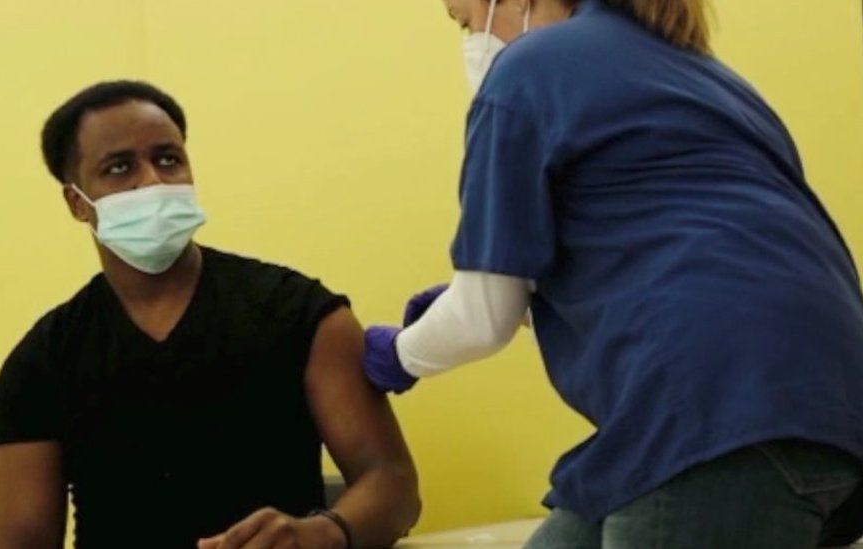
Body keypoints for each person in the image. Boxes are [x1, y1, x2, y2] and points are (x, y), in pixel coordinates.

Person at [363, 1, 863, 547]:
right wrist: (523, 296)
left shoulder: (530, 68)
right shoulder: (712, 78)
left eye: (464, 21)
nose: (469, 40)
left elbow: (483, 318)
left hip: (713, 406)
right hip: (826, 404)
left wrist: (400, 354)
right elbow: (681, 252)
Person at [0, 80, 420, 549]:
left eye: (168, 159)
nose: (152, 181)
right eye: (119, 167)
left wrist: (322, 534)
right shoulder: (41, 363)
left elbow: (393, 485)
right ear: (77, 202)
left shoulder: (300, 313)